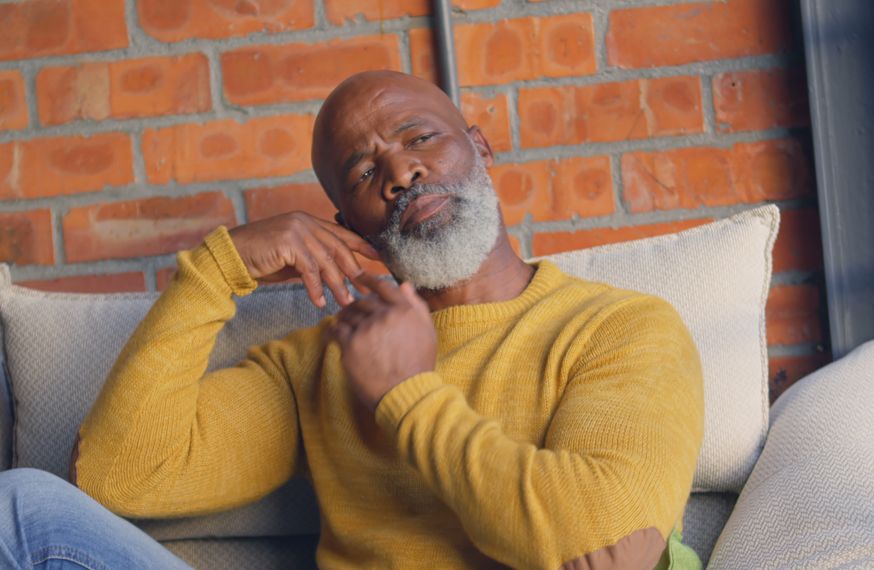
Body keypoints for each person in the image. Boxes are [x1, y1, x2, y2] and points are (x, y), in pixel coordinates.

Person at [1, 70, 704, 569]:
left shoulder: (620, 328)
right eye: (366, 174)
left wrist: (406, 394)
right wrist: (222, 268)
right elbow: (120, 476)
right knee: (19, 507)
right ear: (349, 226)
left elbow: (594, 536)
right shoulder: (319, 361)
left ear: (481, 150)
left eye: (419, 138)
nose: (400, 173)